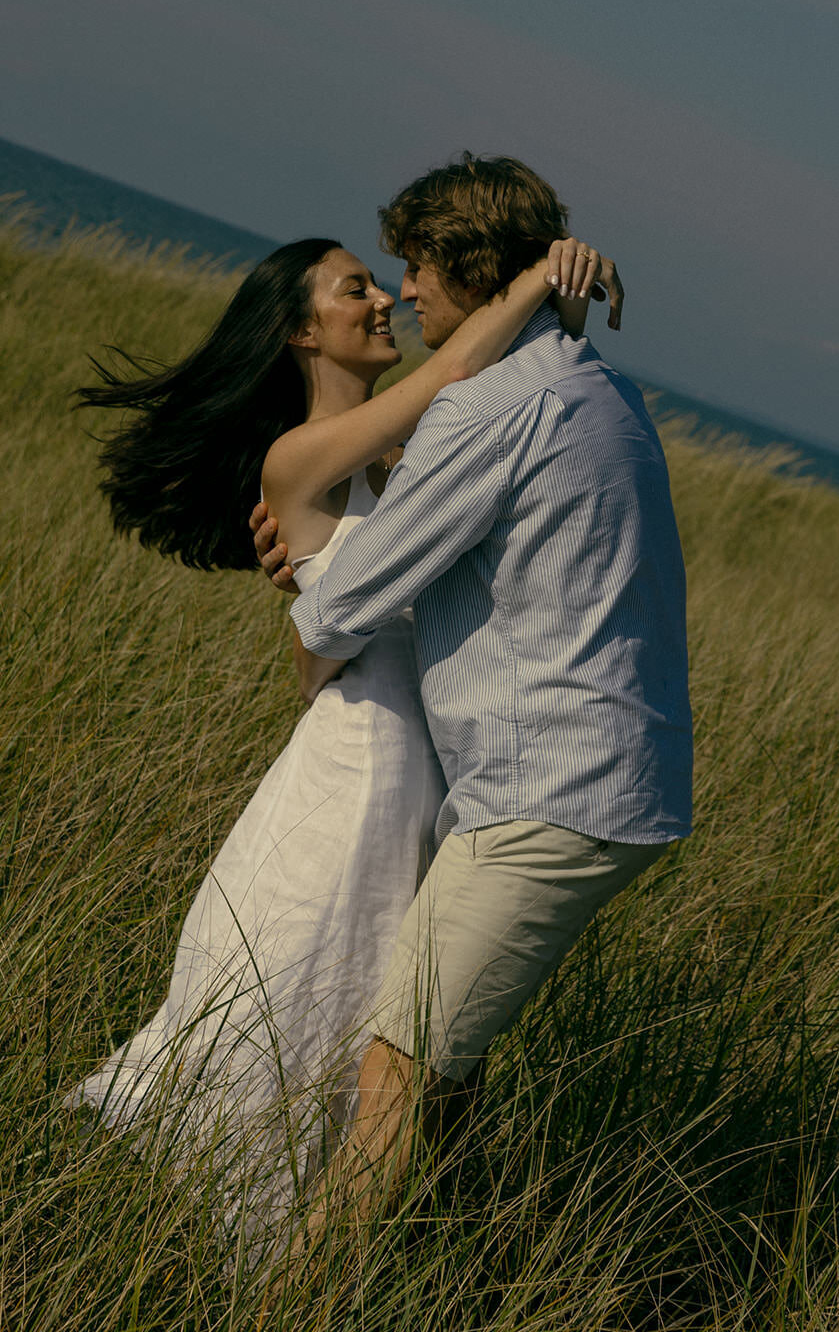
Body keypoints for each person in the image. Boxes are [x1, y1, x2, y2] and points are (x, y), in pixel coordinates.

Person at [69, 222, 612, 1253]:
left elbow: (504, 427)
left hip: (430, 789)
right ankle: (196, 1254)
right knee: (293, 1008)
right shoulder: (297, 459)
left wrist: (566, 312)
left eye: (379, 285)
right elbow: (459, 364)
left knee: (383, 1042)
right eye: (352, 290)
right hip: (350, 783)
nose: (380, 303)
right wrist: (542, 269)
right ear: (299, 336)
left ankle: (328, 1253)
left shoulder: (416, 455)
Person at [252, 153, 693, 1260]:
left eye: (414, 266)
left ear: (468, 269)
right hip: (597, 786)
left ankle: (285, 1305)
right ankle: (453, 1269)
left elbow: (341, 603)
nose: (403, 290)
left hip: (544, 798)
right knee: (445, 1077)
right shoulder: (594, 386)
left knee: (395, 1069)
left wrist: (309, 555)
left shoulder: (494, 409)